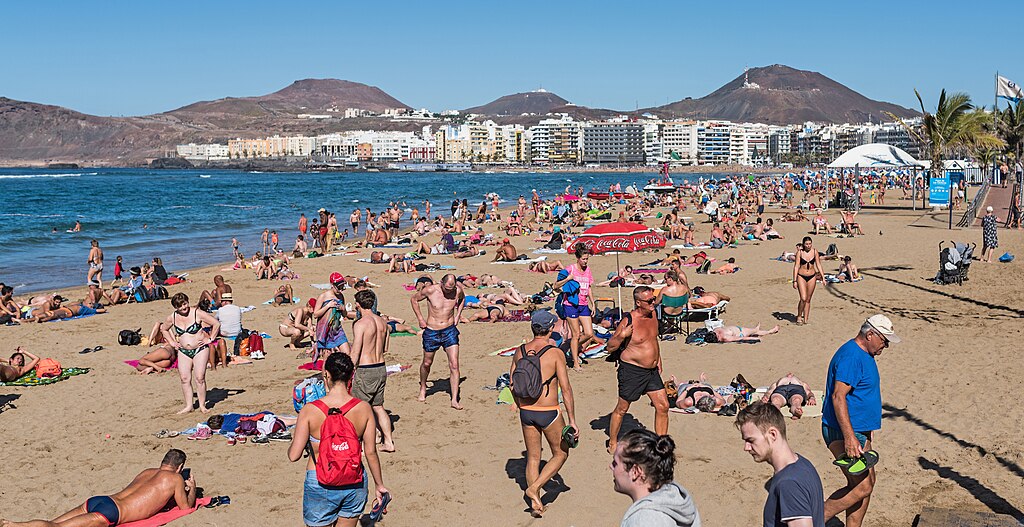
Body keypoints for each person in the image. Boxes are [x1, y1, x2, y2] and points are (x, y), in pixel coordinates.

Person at [287, 353, 389, 527]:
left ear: (326, 374)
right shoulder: (364, 408)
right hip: (354, 479)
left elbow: (294, 455)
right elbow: (370, 452)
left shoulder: (309, 410)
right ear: (352, 374)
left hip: (319, 479)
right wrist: (380, 485)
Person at [821, 315, 900, 527]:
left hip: (858, 431)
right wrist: (849, 437)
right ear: (870, 334)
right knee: (863, 486)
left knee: (865, 484)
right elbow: (838, 397)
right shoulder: (852, 357)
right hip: (843, 431)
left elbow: (859, 395)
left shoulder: (864, 354)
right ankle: (814, 520)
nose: (887, 346)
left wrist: (866, 429)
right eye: (884, 340)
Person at [2, 449, 197, 527]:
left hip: (101, 500)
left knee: (52, 522)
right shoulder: (175, 479)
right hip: (111, 513)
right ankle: (14, 525)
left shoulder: (147, 471)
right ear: (179, 467)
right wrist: (192, 489)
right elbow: (185, 508)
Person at [511, 310, 578, 518]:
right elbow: (565, 389)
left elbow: (512, 383)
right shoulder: (555, 353)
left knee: (533, 457)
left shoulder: (520, 350)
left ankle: (536, 503)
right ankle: (535, 488)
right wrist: (573, 420)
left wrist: (519, 405)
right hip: (548, 411)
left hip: (526, 411)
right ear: (550, 329)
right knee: (561, 453)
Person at [736, 403, 825, 527]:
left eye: (751, 440)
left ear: (773, 434)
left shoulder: (789, 484)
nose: (746, 447)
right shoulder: (802, 464)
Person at [606, 286, 669, 454]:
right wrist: (621, 336)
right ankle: (612, 441)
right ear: (638, 302)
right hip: (632, 371)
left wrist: (658, 359)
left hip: (651, 371)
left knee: (663, 406)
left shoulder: (654, 314)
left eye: (653, 299)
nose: (653, 303)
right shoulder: (629, 321)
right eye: (649, 301)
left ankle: (661, 443)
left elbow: (653, 339)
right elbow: (610, 347)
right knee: (622, 408)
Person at [612, 429, 701, 527]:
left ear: (636, 472)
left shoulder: (642, 521)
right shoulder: (678, 499)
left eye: (615, 463)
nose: (610, 467)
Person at [349, 290, 395, 453]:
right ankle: (388, 441)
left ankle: (361, 445)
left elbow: (355, 352)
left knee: (359, 407)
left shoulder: (360, 324)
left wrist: (349, 370)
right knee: (378, 406)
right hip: (381, 367)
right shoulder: (383, 323)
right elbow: (385, 348)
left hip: (365, 369)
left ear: (358, 304)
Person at [410, 273, 465, 410]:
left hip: (449, 330)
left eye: (451, 289)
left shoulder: (457, 291)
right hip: (432, 331)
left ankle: (454, 399)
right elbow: (414, 300)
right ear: (441, 283)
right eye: (446, 289)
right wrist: (420, 319)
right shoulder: (430, 290)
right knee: (427, 363)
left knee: (454, 364)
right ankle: (423, 387)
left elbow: (462, 299)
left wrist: (458, 315)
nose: (449, 292)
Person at [161, 293, 220, 414]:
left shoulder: (197, 313)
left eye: (185, 304)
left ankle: (203, 405)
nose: (184, 308)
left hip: (200, 349)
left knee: (199, 378)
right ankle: (189, 405)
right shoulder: (172, 317)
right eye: (180, 306)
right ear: (175, 308)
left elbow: (216, 323)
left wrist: (210, 339)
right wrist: (172, 342)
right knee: (184, 378)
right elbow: (164, 329)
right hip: (183, 351)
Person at [555, 245, 596, 371]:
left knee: (589, 333)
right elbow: (555, 286)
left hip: (583, 305)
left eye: (587, 259)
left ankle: (569, 347)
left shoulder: (588, 270)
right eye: (583, 259)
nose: (585, 261)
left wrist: (592, 303)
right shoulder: (570, 269)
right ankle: (576, 364)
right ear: (577, 258)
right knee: (576, 334)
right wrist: (568, 278)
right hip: (571, 305)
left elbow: (588, 287)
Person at [313, 272, 352, 360]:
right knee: (327, 359)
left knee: (347, 354)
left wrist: (343, 309)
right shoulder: (323, 296)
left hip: (337, 329)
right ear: (332, 285)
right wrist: (328, 306)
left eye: (342, 287)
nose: (341, 290)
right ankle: (326, 374)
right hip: (325, 330)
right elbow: (315, 314)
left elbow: (345, 315)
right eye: (339, 287)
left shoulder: (341, 296)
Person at [793, 237, 824, 325]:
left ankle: (806, 318)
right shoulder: (800, 253)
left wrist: (823, 276)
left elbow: (818, 264)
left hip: (812, 276)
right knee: (803, 297)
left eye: (810, 244)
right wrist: (794, 280)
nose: (808, 246)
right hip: (801, 276)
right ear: (803, 244)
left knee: (808, 299)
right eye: (806, 244)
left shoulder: (814, 252)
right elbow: (796, 266)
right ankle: (799, 316)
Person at [704, 324, 780, 344]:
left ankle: (770, 331)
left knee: (756, 331)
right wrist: (754, 339)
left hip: (738, 330)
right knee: (756, 331)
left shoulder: (715, 330)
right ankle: (770, 331)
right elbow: (740, 339)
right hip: (741, 333)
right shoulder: (725, 337)